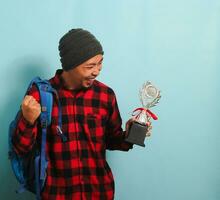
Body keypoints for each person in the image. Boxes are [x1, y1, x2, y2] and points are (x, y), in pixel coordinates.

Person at [12, 28, 152, 200]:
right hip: (57, 195)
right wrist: (27, 120)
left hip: (99, 192)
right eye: (90, 66)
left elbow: (112, 139)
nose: (97, 71)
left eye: (100, 63)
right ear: (70, 66)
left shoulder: (105, 95)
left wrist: (132, 134)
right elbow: (20, 148)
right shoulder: (40, 96)